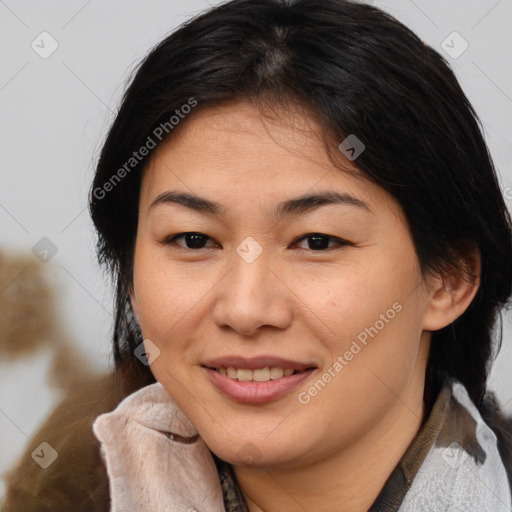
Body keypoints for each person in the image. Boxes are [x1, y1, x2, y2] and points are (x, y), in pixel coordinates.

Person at [3, 0, 512, 510]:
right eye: (193, 240)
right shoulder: (69, 485)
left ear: (448, 278)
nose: (245, 310)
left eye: (317, 242)